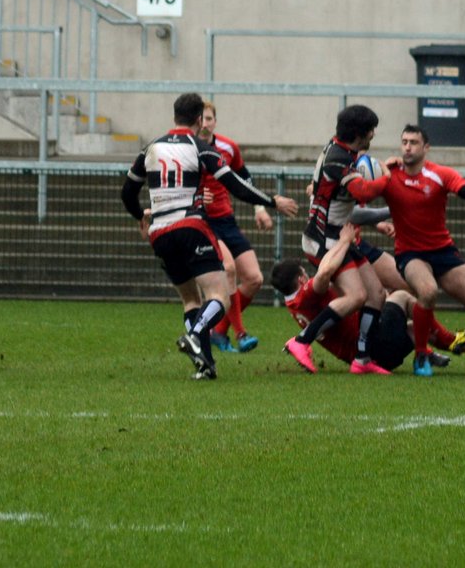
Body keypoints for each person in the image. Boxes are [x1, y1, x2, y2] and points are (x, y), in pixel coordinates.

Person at [122, 92, 299, 380]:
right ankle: (195, 334)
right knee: (220, 296)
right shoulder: (200, 147)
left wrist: (139, 214)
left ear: (174, 117)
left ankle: (205, 364)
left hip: (160, 233)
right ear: (197, 119)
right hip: (190, 226)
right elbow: (235, 185)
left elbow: (127, 192)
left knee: (191, 299)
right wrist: (271, 201)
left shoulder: (150, 148)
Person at [370, 124, 465, 378]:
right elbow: (359, 194)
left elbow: (461, 186)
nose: (407, 147)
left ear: (426, 147)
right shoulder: (389, 175)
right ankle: (421, 356)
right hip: (410, 253)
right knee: (428, 291)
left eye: (413, 142)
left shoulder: (438, 173)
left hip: (442, 251)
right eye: (404, 142)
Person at [270, 226, 465, 374]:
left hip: (379, 354)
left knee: (416, 328)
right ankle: (459, 344)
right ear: (301, 279)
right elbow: (324, 274)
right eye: (305, 273)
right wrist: (344, 241)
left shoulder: (295, 305)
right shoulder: (307, 294)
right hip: (372, 346)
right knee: (403, 296)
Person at [286, 104, 392, 375]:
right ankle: (301, 341)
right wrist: (388, 179)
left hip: (339, 234)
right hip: (324, 239)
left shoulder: (345, 153)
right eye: (371, 130)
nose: (373, 135)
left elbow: (348, 204)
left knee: (376, 294)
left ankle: (362, 359)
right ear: (359, 133)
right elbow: (364, 192)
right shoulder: (337, 158)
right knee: (356, 296)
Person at [197, 101, 273, 353]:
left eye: (209, 119)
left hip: (226, 220)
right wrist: (197, 197)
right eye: (201, 119)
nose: (205, 124)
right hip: (202, 222)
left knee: (254, 279)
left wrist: (259, 208)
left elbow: (244, 177)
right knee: (228, 269)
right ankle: (240, 333)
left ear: (215, 122)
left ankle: (218, 332)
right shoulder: (188, 149)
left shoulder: (228, 147)